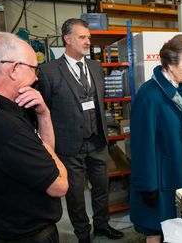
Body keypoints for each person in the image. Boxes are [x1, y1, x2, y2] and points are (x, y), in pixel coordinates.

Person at [37, 18, 123, 242]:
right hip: (69, 145)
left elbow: (98, 100)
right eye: (82, 37)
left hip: (98, 140)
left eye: (89, 37)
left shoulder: (95, 66)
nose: (88, 42)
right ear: (67, 39)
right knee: (75, 195)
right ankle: (83, 234)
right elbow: (42, 110)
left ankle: (102, 225)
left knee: (102, 187)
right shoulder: (48, 71)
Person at [0, 32, 68, 242]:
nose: (37, 77)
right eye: (34, 69)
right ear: (14, 69)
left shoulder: (4, 109)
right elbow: (59, 185)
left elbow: (42, 154)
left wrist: (44, 114)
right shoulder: (4, 126)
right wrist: (46, 151)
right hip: (28, 236)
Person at [130, 34, 182, 243]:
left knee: (176, 228)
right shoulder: (149, 94)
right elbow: (142, 145)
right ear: (170, 65)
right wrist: (147, 185)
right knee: (155, 230)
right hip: (159, 180)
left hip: (180, 173)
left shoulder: (180, 91)